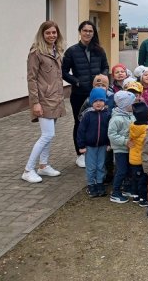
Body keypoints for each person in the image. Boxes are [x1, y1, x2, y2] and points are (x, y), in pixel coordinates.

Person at [23, 21, 66, 183]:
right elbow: (31, 78)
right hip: (43, 100)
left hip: (55, 98)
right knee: (47, 135)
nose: (51, 35)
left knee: (49, 136)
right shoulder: (36, 52)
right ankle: (28, 170)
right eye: (48, 33)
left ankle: (43, 165)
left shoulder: (57, 51)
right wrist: (35, 102)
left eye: (54, 33)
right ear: (42, 34)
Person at [62, 20, 109, 169]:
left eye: (90, 31)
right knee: (80, 122)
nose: (88, 33)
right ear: (80, 32)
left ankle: (98, 150)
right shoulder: (72, 51)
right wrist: (76, 81)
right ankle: (80, 154)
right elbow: (63, 71)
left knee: (99, 121)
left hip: (97, 93)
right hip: (79, 94)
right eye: (85, 30)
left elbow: (105, 67)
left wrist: (102, 79)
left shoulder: (99, 50)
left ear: (93, 33)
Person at [77, 87, 111, 197]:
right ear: (91, 102)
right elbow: (81, 131)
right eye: (95, 101)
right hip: (89, 146)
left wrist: (109, 143)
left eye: (101, 100)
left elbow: (109, 130)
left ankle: (100, 184)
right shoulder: (87, 115)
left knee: (101, 166)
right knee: (91, 167)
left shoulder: (107, 114)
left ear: (104, 101)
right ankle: (91, 185)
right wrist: (81, 146)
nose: (98, 103)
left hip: (102, 145)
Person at [108, 90, 136, 204]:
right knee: (121, 170)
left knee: (129, 169)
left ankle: (126, 188)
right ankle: (115, 192)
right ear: (125, 105)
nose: (133, 105)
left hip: (129, 148)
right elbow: (112, 135)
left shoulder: (131, 115)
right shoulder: (116, 119)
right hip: (120, 149)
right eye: (131, 103)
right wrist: (125, 141)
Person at [128, 98, 148, 207]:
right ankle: (143, 198)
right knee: (143, 180)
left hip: (133, 159)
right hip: (141, 160)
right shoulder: (146, 130)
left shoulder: (132, 126)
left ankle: (135, 195)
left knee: (135, 179)